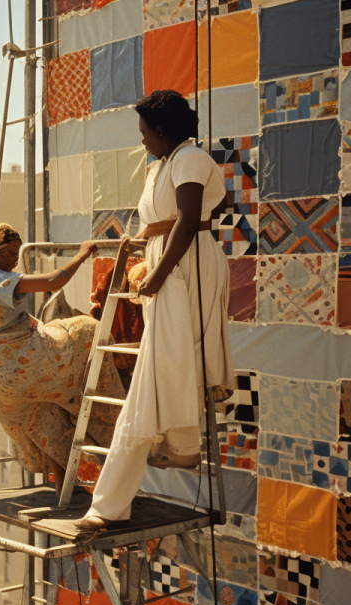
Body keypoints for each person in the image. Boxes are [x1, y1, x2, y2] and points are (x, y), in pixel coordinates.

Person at [75, 90, 235, 530]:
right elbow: (184, 216)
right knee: (171, 363)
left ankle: (109, 505)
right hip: (174, 264)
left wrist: (160, 273)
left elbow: (187, 219)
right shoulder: (167, 163)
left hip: (185, 270)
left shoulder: (190, 159)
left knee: (159, 371)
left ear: (162, 131)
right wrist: (151, 254)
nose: (142, 141)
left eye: (144, 133)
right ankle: (183, 446)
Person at [0, 224, 125, 497]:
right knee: (86, 329)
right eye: (10, 253)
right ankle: (114, 416)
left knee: (49, 417)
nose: (15, 259)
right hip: (19, 363)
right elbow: (53, 282)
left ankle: (64, 489)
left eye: (16, 252)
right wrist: (82, 254)